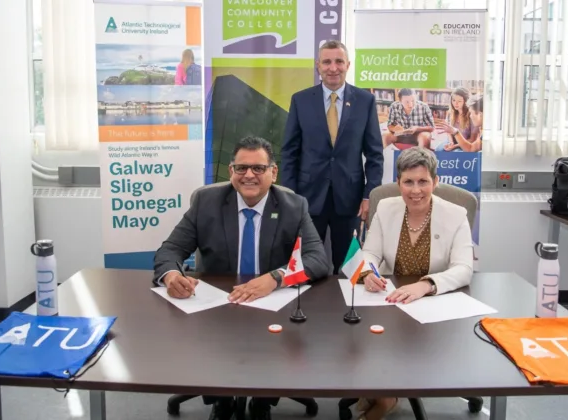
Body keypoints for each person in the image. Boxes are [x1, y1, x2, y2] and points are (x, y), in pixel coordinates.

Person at [153, 136, 330, 420]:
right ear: (230, 172)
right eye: (241, 168)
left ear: (274, 173)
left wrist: (275, 277)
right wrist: (172, 275)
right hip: (217, 304)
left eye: (258, 168)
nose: (249, 175)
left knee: (272, 342)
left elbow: (319, 260)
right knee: (215, 343)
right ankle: (221, 401)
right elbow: (170, 250)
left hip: (272, 304)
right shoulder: (206, 202)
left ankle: (262, 401)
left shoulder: (293, 206)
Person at [354, 147, 474, 420]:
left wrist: (425, 285)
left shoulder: (455, 214)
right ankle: (386, 395)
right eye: (408, 181)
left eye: (423, 181)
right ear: (398, 183)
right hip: (388, 302)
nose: (415, 190)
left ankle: (385, 398)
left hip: (433, 307)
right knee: (366, 343)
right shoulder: (386, 207)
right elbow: (370, 252)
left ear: (436, 181)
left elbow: (464, 268)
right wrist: (369, 272)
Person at [282, 40, 383, 274]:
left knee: (348, 268)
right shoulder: (301, 100)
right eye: (327, 62)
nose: (333, 67)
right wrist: (289, 197)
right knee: (305, 266)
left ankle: (347, 310)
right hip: (307, 199)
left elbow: (375, 154)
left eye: (339, 61)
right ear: (318, 66)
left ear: (348, 64)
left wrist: (370, 195)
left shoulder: (365, 101)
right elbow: (289, 152)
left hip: (350, 201)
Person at [435, 87, 479, 152]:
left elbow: (472, 140)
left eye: (459, 101)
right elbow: (449, 131)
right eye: (454, 100)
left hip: (465, 144)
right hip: (452, 142)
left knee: (456, 153)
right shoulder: (450, 113)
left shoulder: (472, 116)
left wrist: (455, 146)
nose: (456, 103)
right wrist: (451, 142)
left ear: (466, 102)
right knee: (438, 150)